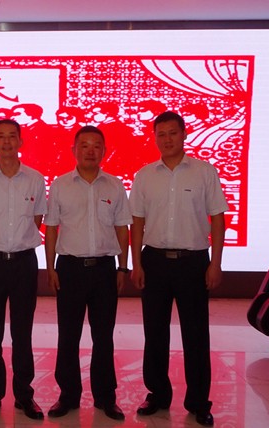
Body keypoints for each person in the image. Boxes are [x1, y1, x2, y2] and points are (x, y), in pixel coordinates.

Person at [130, 111, 228, 427]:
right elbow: (137, 222)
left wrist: (216, 263)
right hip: (154, 261)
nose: (167, 139)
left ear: (184, 134)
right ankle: (157, 394)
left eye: (172, 133)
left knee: (196, 334)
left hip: (193, 262)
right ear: (155, 137)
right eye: (161, 134)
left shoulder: (204, 172)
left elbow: (217, 218)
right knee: (154, 332)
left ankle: (198, 401)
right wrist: (136, 263)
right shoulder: (145, 175)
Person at [44, 126, 131, 421]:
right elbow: (51, 228)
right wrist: (50, 267)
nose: (90, 151)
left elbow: (122, 228)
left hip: (105, 270)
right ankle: (68, 396)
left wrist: (123, 266)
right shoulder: (60, 185)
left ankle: (106, 397)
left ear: (104, 151)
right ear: (74, 150)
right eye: (84, 145)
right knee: (68, 335)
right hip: (69, 269)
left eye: (96, 146)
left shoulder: (115, 185)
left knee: (103, 336)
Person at [0, 119, 47, 420]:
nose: (6, 142)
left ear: (20, 142)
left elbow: (38, 219)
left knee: (22, 332)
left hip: (24, 263)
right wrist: (0, 241)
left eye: (12, 136)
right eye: (0, 137)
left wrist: (16, 243)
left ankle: (24, 395)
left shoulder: (35, 179)